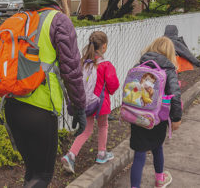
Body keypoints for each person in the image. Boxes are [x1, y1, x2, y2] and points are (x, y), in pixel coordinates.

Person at [4, 0, 87, 188]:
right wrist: (79, 107)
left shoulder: (21, 17)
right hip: (39, 110)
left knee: (32, 173)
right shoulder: (59, 21)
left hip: (12, 106)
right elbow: (72, 71)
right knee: (42, 177)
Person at [61, 31, 120, 173]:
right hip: (101, 104)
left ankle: (71, 155)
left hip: (85, 103)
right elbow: (113, 85)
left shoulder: (83, 63)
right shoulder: (106, 65)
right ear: (104, 46)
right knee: (103, 126)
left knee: (86, 130)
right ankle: (101, 153)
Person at [129, 36, 182, 188]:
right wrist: (176, 117)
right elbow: (175, 95)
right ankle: (160, 179)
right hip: (157, 118)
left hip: (137, 115)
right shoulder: (169, 69)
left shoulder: (140, 65)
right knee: (157, 146)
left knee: (139, 153)